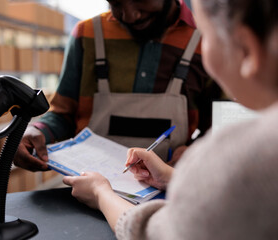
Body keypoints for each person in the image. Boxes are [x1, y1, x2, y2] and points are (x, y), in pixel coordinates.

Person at [63, 0, 278, 239]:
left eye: (205, 36)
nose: (131, 15)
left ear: (246, 49)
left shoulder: (247, 157)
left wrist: (101, 192)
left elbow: (155, 234)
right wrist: (173, 178)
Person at [13, 0, 222, 172]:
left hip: (173, 196)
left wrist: (196, 153)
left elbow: (224, 126)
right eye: (116, 3)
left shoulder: (209, 40)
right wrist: (35, 131)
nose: (129, 15)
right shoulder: (87, 35)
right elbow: (64, 114)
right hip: (89, 193)